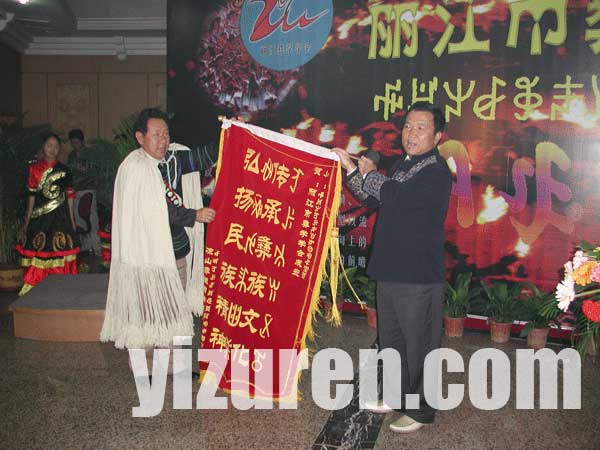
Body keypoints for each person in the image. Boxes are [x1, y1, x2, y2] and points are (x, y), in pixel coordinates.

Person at [333, 102, 452, 433]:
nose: (411, 134)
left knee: (419, 344)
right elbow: (373, 198)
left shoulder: (436, 172)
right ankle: (397, 396)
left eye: (421, 128)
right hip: (390, 268)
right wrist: (351, 169)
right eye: (408, 126)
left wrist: (368, 174)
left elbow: (397, 196)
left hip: (416, 274)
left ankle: (420, 410)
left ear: (437, 136)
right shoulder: (404, 164)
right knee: (392, 340)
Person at [100, 108, 215, 368]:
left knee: (176, 311)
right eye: (156, 135)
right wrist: (193, 215)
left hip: (177, 252)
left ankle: (175, 366)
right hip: (146, 257)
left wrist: (230, 133)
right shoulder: (134, 168)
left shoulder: (174, 159)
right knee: (150, 312)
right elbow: (157, 210)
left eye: (166, 134)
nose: (163, 140)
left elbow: (203, 156)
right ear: (140, 137)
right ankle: (147, 366)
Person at [16, 134, 80, 296]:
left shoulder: (65, 170)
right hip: (40, 218)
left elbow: (70, 197)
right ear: (43, 147)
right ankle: (37, 288)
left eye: (56, 146)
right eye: (49, 145)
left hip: (61, 217)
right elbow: (31, 198)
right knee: (40, 250)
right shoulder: (34, 169)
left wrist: (72, 220)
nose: (52, 149)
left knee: (60, 249)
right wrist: (26, 222)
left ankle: (60, 287)